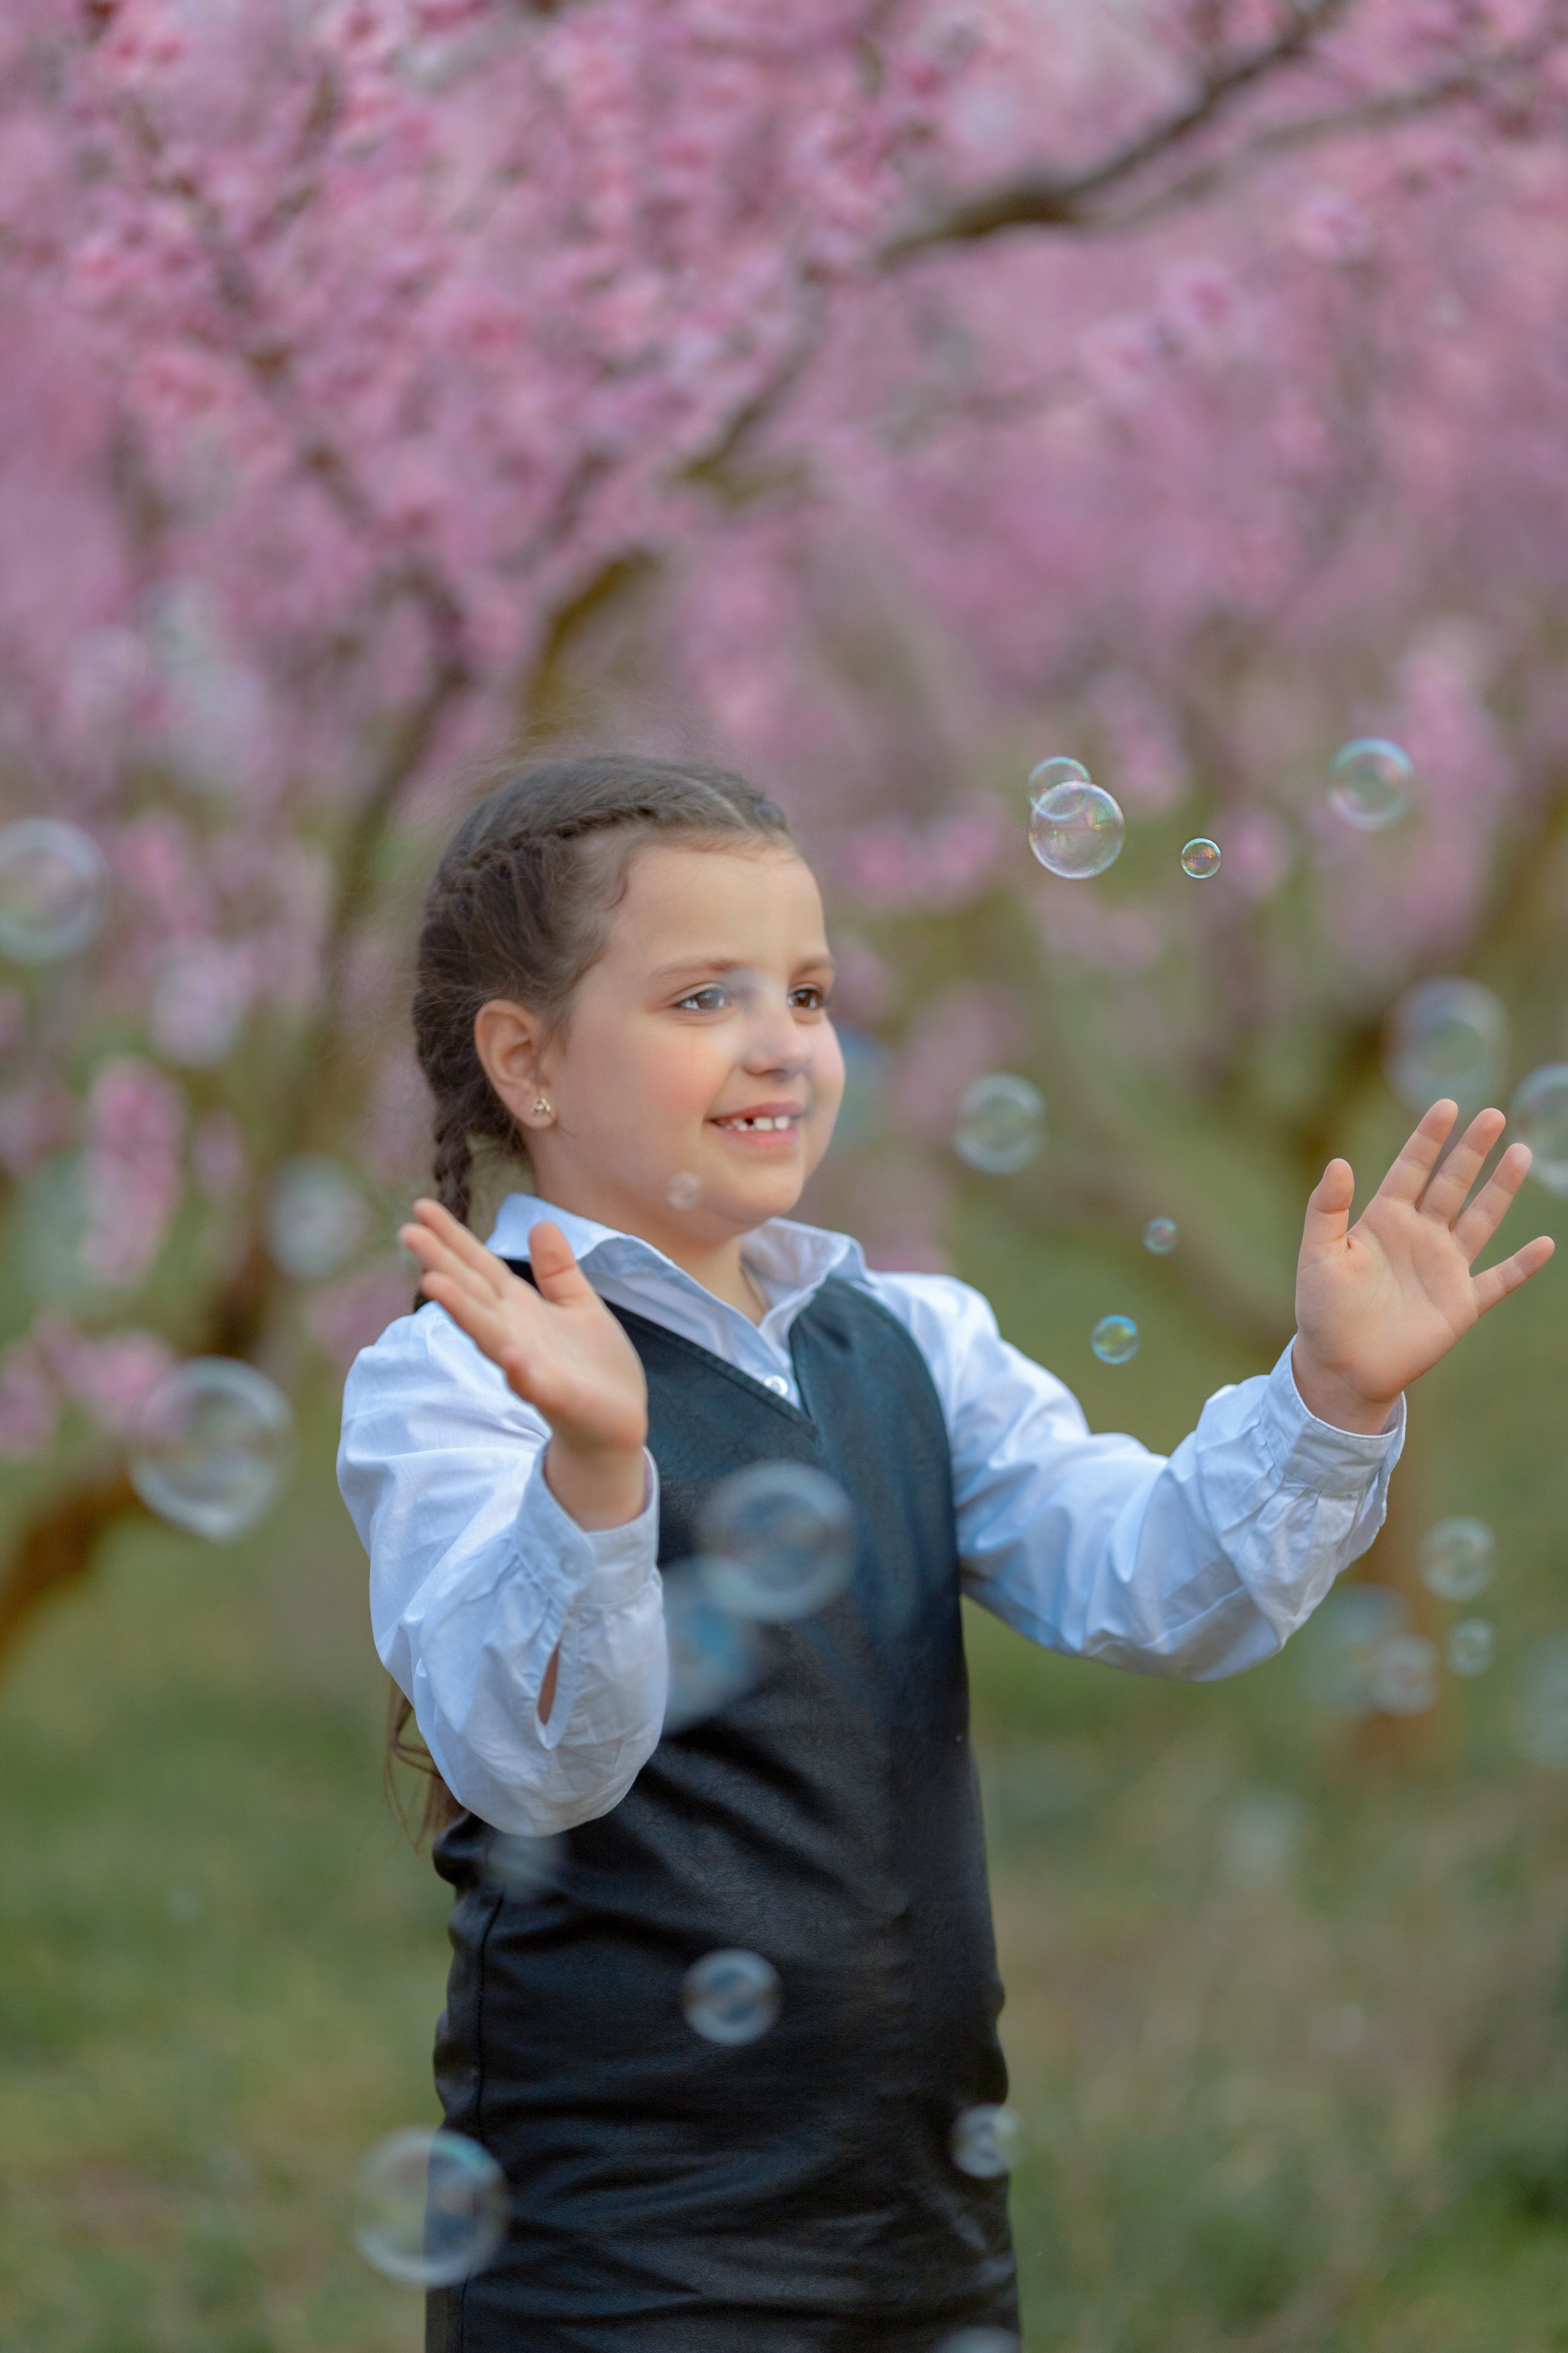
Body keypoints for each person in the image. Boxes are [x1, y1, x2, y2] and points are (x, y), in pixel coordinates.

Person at [337, 753, 1552, 2353]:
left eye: (812, 991)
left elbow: (1149, 1579)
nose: (782, 1042)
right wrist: (597, 1464)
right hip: (620, 2244)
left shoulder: (915, 1341)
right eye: (705, 997)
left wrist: (1326, 1395)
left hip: (914, 2216)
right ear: (529, 1060)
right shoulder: (453, 1383)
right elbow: (538, 1760)